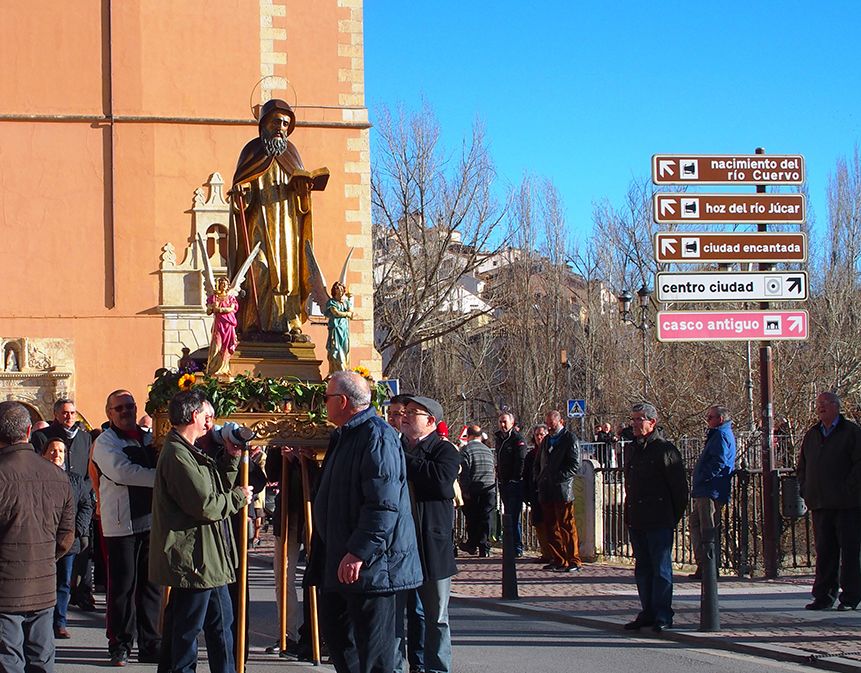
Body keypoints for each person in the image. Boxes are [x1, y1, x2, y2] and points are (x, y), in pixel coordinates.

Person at [306, 371, 422, 673]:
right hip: (342, 563)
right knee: (343, 645)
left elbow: (383, 504)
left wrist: (359, 551)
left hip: (371, 569)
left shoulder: (376, 436)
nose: (324, 403)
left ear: (342, 401)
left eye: (327, 397)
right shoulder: (345, 435)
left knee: (374, 656)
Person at [149, 390, 253, 673]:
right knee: (187, 632)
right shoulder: (178, 455)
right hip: (194, 559)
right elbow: (205, 505)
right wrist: (240, 497)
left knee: (221, 627)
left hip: (209, 559)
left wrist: (231, 459)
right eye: (208, 417)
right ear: (194, 416)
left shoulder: (190, 451)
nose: (211, 424)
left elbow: (214, 489)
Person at [230, 98, 327, 336]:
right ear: (264, 124)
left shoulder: (292, 153)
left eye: (286, 124)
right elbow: (239, 189)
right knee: (259, 269)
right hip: (259, 224)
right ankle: (253, 322)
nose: (281, 128)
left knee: (288, 274)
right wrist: (242, 193)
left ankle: (289, 323)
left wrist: (303, 190)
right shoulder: (251, 151)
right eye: (277, 122)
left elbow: (302, 206)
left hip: (287, 227)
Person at [0, 401, 74, 673]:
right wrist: (44, 557)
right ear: (29, 431)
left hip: (6, 588)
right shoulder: (57, 475)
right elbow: (66, 535)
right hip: (43, 585)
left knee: (8, 661)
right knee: (42, 660)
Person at [91, 390, 162, 666]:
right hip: (121, 526)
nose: (125, 411)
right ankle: (119, 644)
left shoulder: (148, 437)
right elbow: (123, 472)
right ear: (109, 413)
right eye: (119, 408)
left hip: (151, 521)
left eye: (129, 406)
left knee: (151, 586)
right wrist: (162, 478)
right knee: (122, 588)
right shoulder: (106, 443)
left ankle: (150, 643)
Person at [400, 394, 460, 673]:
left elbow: (440, 480)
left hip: (432, 545)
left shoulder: (444, 450)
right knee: (402, 614)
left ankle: (437, 667)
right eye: (405, 411)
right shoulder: (397, 446)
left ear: (431, 421)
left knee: (436, 614)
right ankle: (405, 665)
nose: (406, 416)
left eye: (413, 412)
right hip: (402, 544)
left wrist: (406, 462)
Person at [623, 402, 688, 633]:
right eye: (634, 419)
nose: (635, 424)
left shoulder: (665, 450)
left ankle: (663, 614)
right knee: (643, 569)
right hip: (638, 518)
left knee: (661, 569)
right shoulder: (632, 449)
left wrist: (671, 516)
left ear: (652, 422)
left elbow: (679, 490)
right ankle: (647, 611)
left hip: (659, 519)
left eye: (640, 419)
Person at [797, 392, 861, 611]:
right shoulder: (813, 434)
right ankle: (823, 595)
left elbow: (858, 465)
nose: (821, 408)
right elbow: (803, 465)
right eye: (818, 405)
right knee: (825, 552)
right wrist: (805, 488)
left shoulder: (851, 432)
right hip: (820, 502)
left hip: (847, 504)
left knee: (850, 552)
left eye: (825, 404)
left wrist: (848, 490)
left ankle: (851, 597)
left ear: (836, 406)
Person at [32, 399, 96, 611]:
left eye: (73, 413)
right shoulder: (42, 436)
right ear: (56, 414)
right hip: (50, 514)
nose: (69, 417)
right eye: (65, 413)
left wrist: (84, 490)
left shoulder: (85, 438)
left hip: (79, 502)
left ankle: (82, 593)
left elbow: (89, 469)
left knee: (82, 553)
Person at [39, 439, 94, 639]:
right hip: (42, 540)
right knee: (43, 582)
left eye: (61, 451)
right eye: (53, 450)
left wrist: (78, 530)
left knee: (63, 581)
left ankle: (60, 622)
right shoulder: (36, 478)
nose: (57, 454)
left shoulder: (75, 479)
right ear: (44, 454)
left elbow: (86, 505)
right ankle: (41, 622)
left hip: (68, 540)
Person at [387, 394, 425, 673]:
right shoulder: (389, 443)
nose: (397, 419)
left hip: (422, 537)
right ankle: (398, 663)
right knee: (396, 611)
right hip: (397, 537)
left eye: (402, 413)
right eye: (393, 414)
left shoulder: (420, 448)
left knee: (421, 610)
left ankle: (421, 662)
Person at [689, 405, 736, 580]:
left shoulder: (721, 435)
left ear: (720, 419)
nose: (707, 420)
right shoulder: (719, 435)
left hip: (711, 489)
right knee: (697, 523)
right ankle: (703, 563)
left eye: (710, 417)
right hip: (708, 487)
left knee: (707, 528)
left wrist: (704, 477)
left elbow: (720, 461)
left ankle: (708, 566)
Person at [534, 410, 582, 573]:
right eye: (548, 424)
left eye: (552, 424)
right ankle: (558, 558)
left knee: (566, 525)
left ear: (560, 422)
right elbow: (539, 462)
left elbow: (574, 464)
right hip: (546, 488)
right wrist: (539, 478)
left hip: (562, 489)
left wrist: (558, 477)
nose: (549, 427)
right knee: (550, 525)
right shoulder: (547, 440)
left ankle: (573, 559)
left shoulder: (570, 439)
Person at [458, 424, 496, 558]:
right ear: (480, 436)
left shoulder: (465, 450)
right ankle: (484, 547)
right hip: (489, 488)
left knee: (473, 518)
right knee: (486, 518)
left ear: (468, 436)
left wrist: (465, 489)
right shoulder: (488, 450)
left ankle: (472, 544)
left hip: (474, 488)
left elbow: (464, 471)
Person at [494, 412, 528, 558]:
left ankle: (517, 546)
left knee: (514, 516)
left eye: (505, 422)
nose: (502, 425)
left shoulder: (517, 439)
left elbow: (521, 460)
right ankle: (509, 545)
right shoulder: (499, 439)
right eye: (501, 422)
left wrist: (515, 478)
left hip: (514, 483)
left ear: (512, 423)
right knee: (507, 515)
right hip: (503, 482)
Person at [523, 424, 551, 563]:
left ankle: (554, 553)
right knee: (538, 523)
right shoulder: (530, 455)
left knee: (551, 523)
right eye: (537, 435)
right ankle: (545, 552)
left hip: (549, 492)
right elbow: (526, 475)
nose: (539, 437)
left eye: (542, 434)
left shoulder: (551, 452)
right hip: (535, 492)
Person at [205, 276, 240, 375]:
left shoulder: (231, 298)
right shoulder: (213, 298)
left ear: (228, 286)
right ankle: (213, 369)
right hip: (219, 325)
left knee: (226, 347)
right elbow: (208, 311)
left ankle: (224, 369)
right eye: (221, 284)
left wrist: (219, 309)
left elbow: (231, 309)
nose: (223, 285)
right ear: (219, 285)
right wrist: (212, 307)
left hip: (228, 324)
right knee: (216, 346)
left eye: (225, 284)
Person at [325, 281, 354, 373]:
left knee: (345, 349)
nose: (340, 289)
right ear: (334, 290)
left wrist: (349, 302)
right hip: (336, 328)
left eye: (341, 288)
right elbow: (336, 313)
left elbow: (352, 313)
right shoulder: (331, 302)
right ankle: (336, 372)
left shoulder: (346, 302)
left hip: (344, 329)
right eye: (337, 288)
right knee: (336, 350)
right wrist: (347, 314)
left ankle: (344, 370)